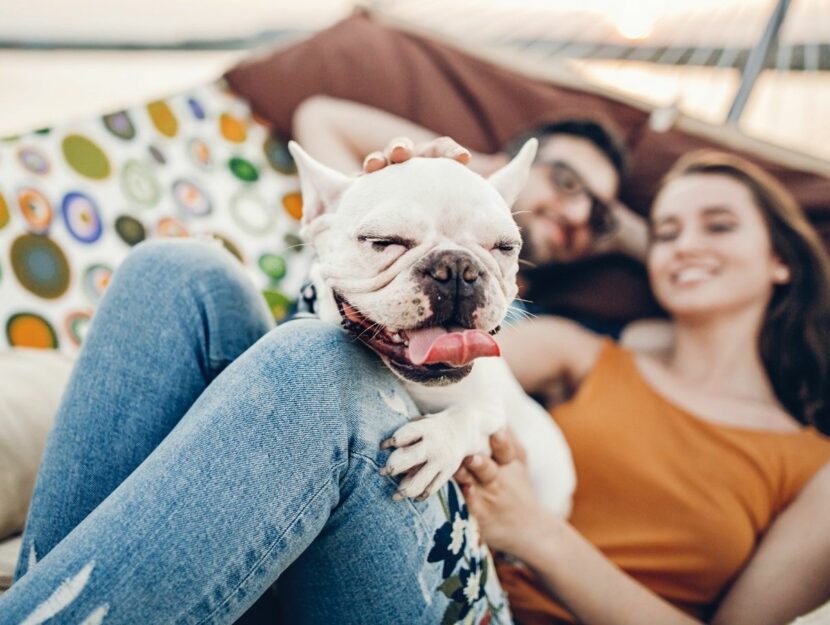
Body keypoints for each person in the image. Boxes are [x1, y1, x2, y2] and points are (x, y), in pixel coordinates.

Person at [2, 139, 829, 625]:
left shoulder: (813, 461)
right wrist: (400, 201)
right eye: (669, 230)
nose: (684, 245)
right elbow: (363, 341)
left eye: (718, 226)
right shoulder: (586, 349)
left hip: (490, 598)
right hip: (368, 535)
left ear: (784, 258)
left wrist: (534, 531)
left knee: (314, 367)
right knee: (177, 271)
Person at [292, 96, 656, 336]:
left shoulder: (547, 325)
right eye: (566, 181)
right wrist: (467, 173)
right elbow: (319, 117)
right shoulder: (369, 219)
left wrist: (626, 231)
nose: (578, 214)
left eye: (598, 214)